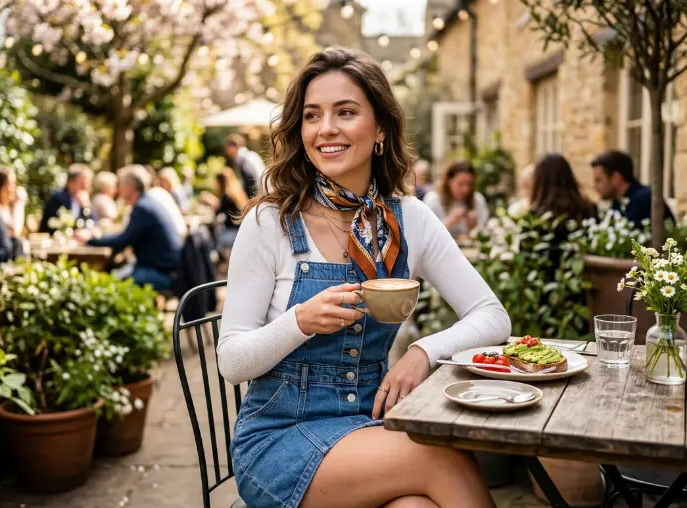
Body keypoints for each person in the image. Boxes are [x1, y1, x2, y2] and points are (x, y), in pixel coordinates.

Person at [217, 48, 510, 508]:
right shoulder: (270, 223)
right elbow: (231, 362)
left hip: (371, 426)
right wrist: (301, 321)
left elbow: (492, 316)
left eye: (346, 112)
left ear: (380, 130)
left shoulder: (409, 220)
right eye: (312, 116)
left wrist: (422, 352)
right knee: (443, 459)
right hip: (280, 437)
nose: (326, 128)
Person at [76, 165, 183, 290]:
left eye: (120, 184)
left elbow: (123, 241)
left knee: (109, 285)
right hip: (164, 269)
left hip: (162, 273)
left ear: (130, 187)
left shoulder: (143, 207)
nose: (117, 189)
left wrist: (91, 239)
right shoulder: (147, 202)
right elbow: (126, 237)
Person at [591, 150, 674, 229]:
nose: (595, 187)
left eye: (598, 180)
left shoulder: (642, 200)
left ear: (616, 178)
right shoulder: (617, 203)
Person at [422, 160, 491, 239]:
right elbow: (427, 236)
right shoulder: (433, 199)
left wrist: (475, 227)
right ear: (449, 181)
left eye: (469, 184)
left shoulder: (478, 199)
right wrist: (450, 221)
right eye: (460, 184)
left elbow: (485, 233)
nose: (466, 189)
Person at [39, 163, 94, 233]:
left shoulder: (84, 200)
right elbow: (54, 224)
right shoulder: (57, 198)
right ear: (70, 182)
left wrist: (86, 206)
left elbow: (92, 223)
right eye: (83, 183)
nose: (86, 187)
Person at [223, 133, 266, 198]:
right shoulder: (247, 156)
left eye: (227, 147)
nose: (225, 151)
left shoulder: (245, 159)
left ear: (233, 147)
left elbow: (255, 182)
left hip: (259, 196)